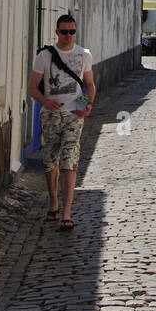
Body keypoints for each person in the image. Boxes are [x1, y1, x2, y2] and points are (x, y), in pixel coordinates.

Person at [27, 15, 95, 230]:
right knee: (50, 160)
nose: (68, 36)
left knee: (69, 159)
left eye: (72, 32)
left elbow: (89, 85)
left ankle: (66, 212)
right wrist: (45, 101)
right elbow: (32, 87)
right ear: (57, 32)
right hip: (50, 116)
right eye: (64, 32)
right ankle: (53, 201)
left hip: (73, 116)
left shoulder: (84, 55)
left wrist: (86, 105)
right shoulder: (45, 56)